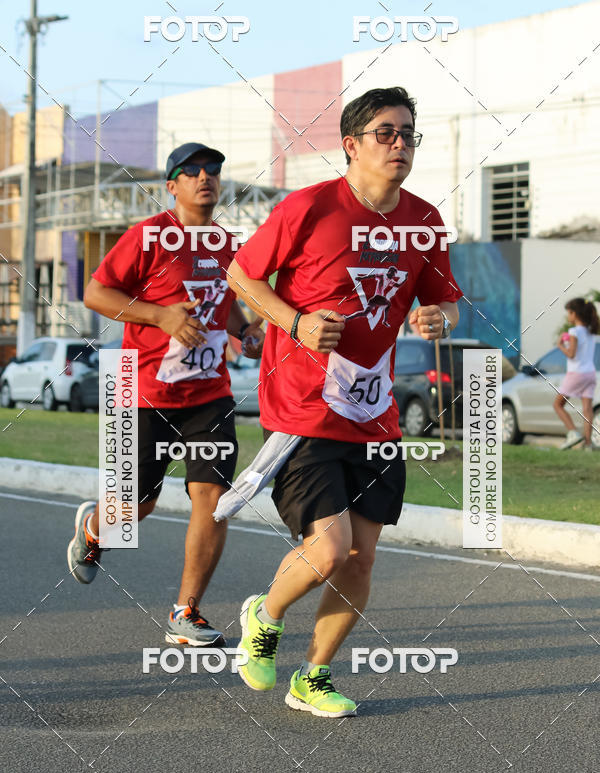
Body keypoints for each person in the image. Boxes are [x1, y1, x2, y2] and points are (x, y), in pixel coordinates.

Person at [226, 86, 461, 717]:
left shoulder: (424, 220)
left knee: (360, 560)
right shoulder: (309, 207)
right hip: (303, 406)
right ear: (350, 144)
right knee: (327, 549)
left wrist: (437, 316)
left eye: (410, 133)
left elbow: (443, 296)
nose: (401, 144)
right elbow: (243, 273)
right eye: (386, 132)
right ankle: (265, 613)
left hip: (374, 414)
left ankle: (314, 678)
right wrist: (294, 320)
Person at [67, 142, 264, 647]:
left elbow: (229, 304)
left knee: (213, 499)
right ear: (172, 185)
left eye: (213, 170)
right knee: (138, 507)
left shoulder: (226, 243)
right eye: (192, 170)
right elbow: (95, 293)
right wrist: (161, 315)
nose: (205, 177)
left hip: (209, 395)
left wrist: (245, 332)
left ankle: (186, 612)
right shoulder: (148, 237)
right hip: (146, 393)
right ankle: (94, 529)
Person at [553, 297, 599, 450]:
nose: (568, 316)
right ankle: (587, 444)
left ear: (574, 314)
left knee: (558, 404)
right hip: (590, 374)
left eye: (568, 313)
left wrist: (560, 345)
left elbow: (572, 354)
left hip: (576, 373)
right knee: (587, 409)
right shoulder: (591, 332)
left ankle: (573, 433)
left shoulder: (574, 331)